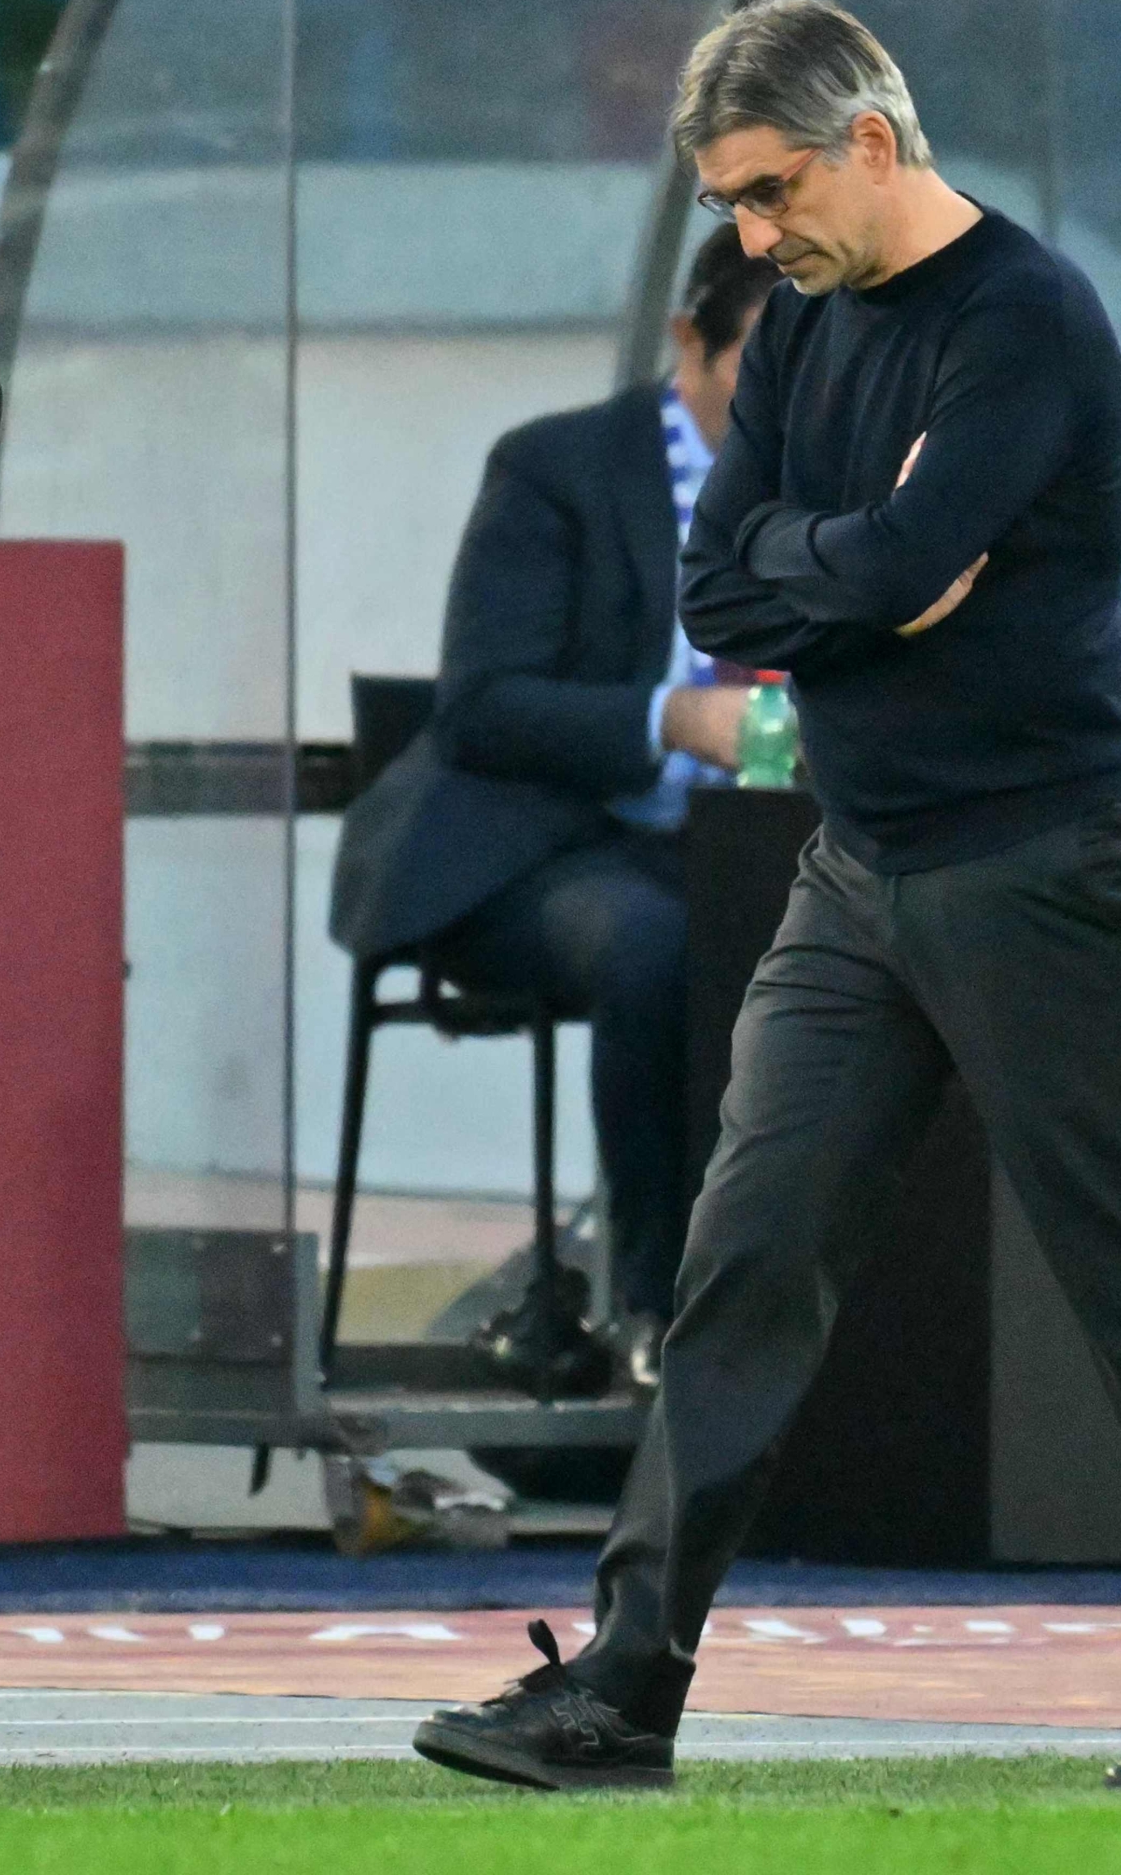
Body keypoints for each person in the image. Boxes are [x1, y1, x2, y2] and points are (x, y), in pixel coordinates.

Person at [412, 0, 1121, 1794]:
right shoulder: (798, 330)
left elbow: (903, 562)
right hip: (858, 868)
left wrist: (853, 569)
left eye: (770, 189)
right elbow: (735, 593)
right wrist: (847, 570)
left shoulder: (1027, 319)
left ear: (872, 136)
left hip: (1041, 859)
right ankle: (626, 1690)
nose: (755, 237)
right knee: (742, 1262)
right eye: (729, 209)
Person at [329, 225, 782, 1378]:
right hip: (540, 843)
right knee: (655, 945)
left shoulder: (846, 491)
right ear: (690, 340)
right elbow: (484, 703)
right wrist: (673, 720)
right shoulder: (559, 467)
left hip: (757, 841)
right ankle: (653, 1299)